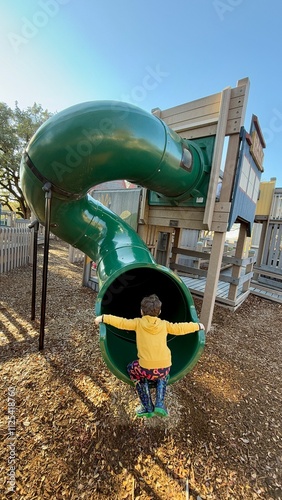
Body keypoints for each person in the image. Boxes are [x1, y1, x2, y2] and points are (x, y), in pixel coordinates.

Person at [95, 294, 205, 418]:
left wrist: (103, 318)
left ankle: (147, 406)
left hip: (146, 369)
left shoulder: (138, 323)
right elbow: (180, 328)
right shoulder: (164, 324)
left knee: (132, 369)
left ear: (141, 311)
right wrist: (198, 326)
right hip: (165, 367)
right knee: (163, 376)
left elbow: (121, 322)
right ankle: (159, 403)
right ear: (160, 312)